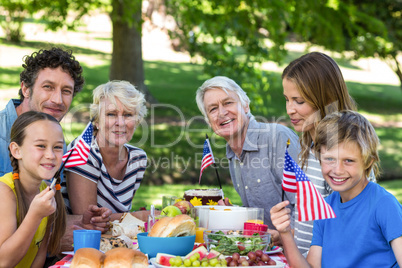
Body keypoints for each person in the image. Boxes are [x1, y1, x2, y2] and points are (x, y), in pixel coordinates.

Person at [0, 48, 111, 254]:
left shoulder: (57, 145)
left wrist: (81, 222)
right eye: (48, 87)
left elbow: (44, 213)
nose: (58, 100)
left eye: (66, 91)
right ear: (26, 89)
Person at [270, 111, 402, 267]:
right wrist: (285, 233)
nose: (337, 170)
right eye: (329, 159)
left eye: (348, 161)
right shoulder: (325, 208)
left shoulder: (384, 205)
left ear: (368, 162)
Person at [281, 51, 370, 254]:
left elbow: (354, 227)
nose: (289, 109)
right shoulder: (307, 148)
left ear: (324, 99)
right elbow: (308, 219)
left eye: (299, 101)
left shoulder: (343, 157)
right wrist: (284, 234)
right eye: (287, 99)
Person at [196, 76, 300, 243]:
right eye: (213, 109)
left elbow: (311, 209)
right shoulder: (232, 153)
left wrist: (281, 236)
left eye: (228, 103)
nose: (222, 113)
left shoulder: (277, 138)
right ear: (209, 121)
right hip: (266, 252)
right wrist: (234, 215)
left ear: (245, 105)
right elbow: (260, 217)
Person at [63, 80, 151, 221]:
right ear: (96, 121)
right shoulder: (83, 153)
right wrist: (139, 216)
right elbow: (87, 220)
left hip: (114, 239)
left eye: (128, 115)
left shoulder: (138, 158)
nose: (120, 123)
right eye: (111, 114)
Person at [0, 111, 66, 267]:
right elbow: (3, 262)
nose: (50, 155)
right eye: (41, 146)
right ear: (17, 150)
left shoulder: (47, 192)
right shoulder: (4, 192)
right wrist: (35, 215)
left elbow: (39, 255)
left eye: (57, 147)